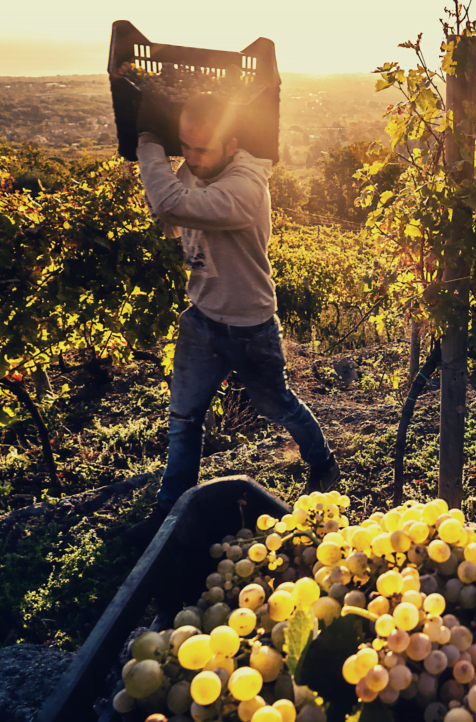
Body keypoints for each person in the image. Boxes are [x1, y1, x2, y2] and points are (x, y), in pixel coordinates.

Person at [126, 93, 339, 545]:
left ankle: (322, 462)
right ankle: (167, 514)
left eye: (202, 149)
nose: (192, 158)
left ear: (231, 144)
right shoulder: (198, 170)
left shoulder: (245, 188)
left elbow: (171, 206)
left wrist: (147, 142)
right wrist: (171, 189)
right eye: (185, 146)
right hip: (201, 320)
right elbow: (170, 222)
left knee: (277, 406)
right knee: (184, 419)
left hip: (249, 327)